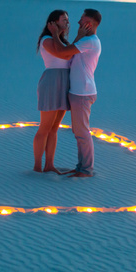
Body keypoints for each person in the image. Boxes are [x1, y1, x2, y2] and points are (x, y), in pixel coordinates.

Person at [48, 9, 102, 178]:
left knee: (82, 133)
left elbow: (64, 52)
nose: (78, 22)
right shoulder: (86, 41)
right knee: (79, 132)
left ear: (89, 24)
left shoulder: (91, 41)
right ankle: (81, 167)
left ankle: (86, 170)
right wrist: (77, 36)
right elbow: (69, 54)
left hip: (83, 93)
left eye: (81, 20)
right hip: (78, 92)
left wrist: (55, 35)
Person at [33, 10, 75, 173]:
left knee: (54, 128)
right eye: (64, 19)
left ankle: (49, 164)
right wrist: (55, 34)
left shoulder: (61, 41)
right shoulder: (47, 40)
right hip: (52, 82)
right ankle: (37, 166)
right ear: (53, 23)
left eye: (67, 19)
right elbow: (64, 56)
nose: (67, 22)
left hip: (65, 81)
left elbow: (69, 52)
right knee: (45, 127)